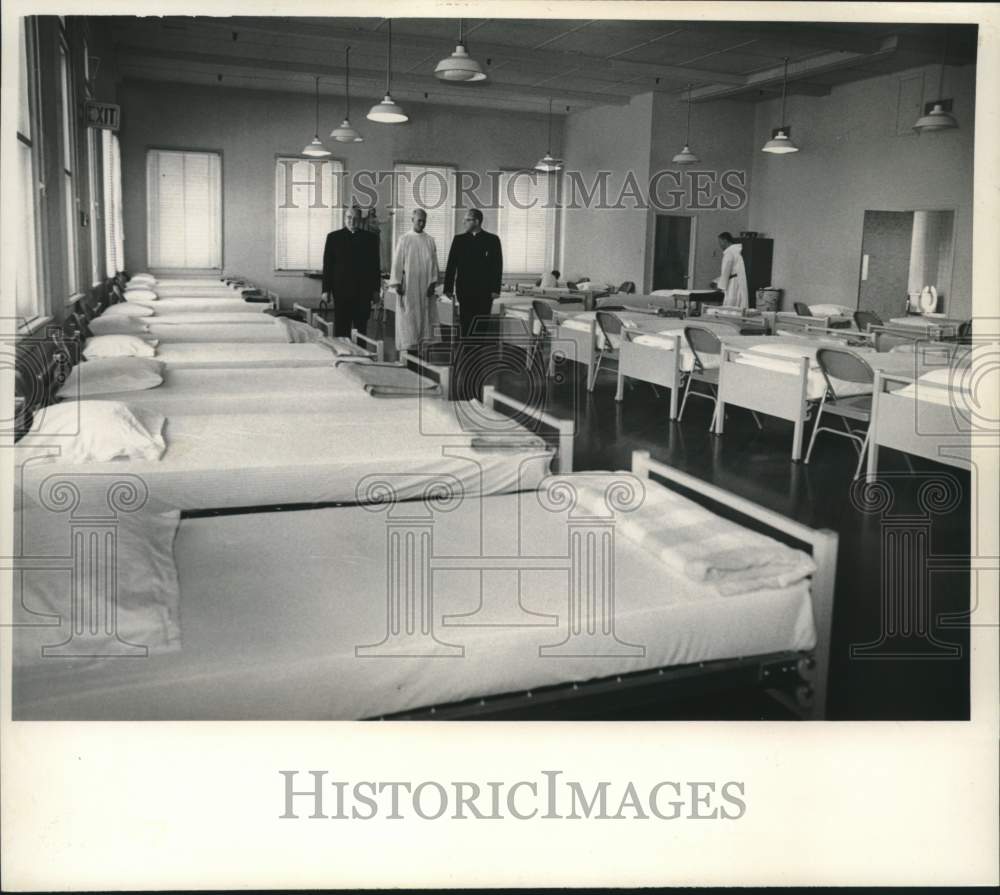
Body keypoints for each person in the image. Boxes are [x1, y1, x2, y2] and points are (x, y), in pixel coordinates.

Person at [444, 209, 503, 398]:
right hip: (465, 291)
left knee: (481, 325)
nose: (464, 222)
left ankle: (476, 356)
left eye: (467, 220)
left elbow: (497, 266)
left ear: (477, 221)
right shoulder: (459, 240)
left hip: (484, 293)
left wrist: (495, 289)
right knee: (466, 323)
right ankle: (468, 354)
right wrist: (447, 288)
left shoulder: (492, 240)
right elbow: (451, 264)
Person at [321, 206, 381, 338]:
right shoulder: (333, 237)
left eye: (355, 218)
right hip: (341, 291)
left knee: (361, 329)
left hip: (363, 292)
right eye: (349, 217)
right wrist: (326, 290)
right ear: (344, 218)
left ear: (360, 220)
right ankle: (343, 355)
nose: (352, 221)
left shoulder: (370, 239)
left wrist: (376, 291)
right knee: (341, 328)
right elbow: (327, 266)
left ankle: (361, 357)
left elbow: (375, 267)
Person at [388, 209, 440, 353]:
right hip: (409, 285)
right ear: (412, 220)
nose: (422, 224)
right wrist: (397, 283)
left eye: (424, 221)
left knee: (424, 315)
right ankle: (408, 346)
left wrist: (433, 283)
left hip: (425, 285)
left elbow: (434, 263)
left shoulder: (429, 240)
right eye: (419, 221)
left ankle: (422, 345)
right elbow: (397, 262)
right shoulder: (404, 239)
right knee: (409, 316)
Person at [712, 232, 748, 309]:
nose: (720, 245)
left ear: (725, 240)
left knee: (730, 303)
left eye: (720, 242)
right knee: (738, 302)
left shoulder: (729, 253)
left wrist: (720, 286)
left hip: (732, 284)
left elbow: (726, 271)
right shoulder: (736, 251)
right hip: (737, 281)